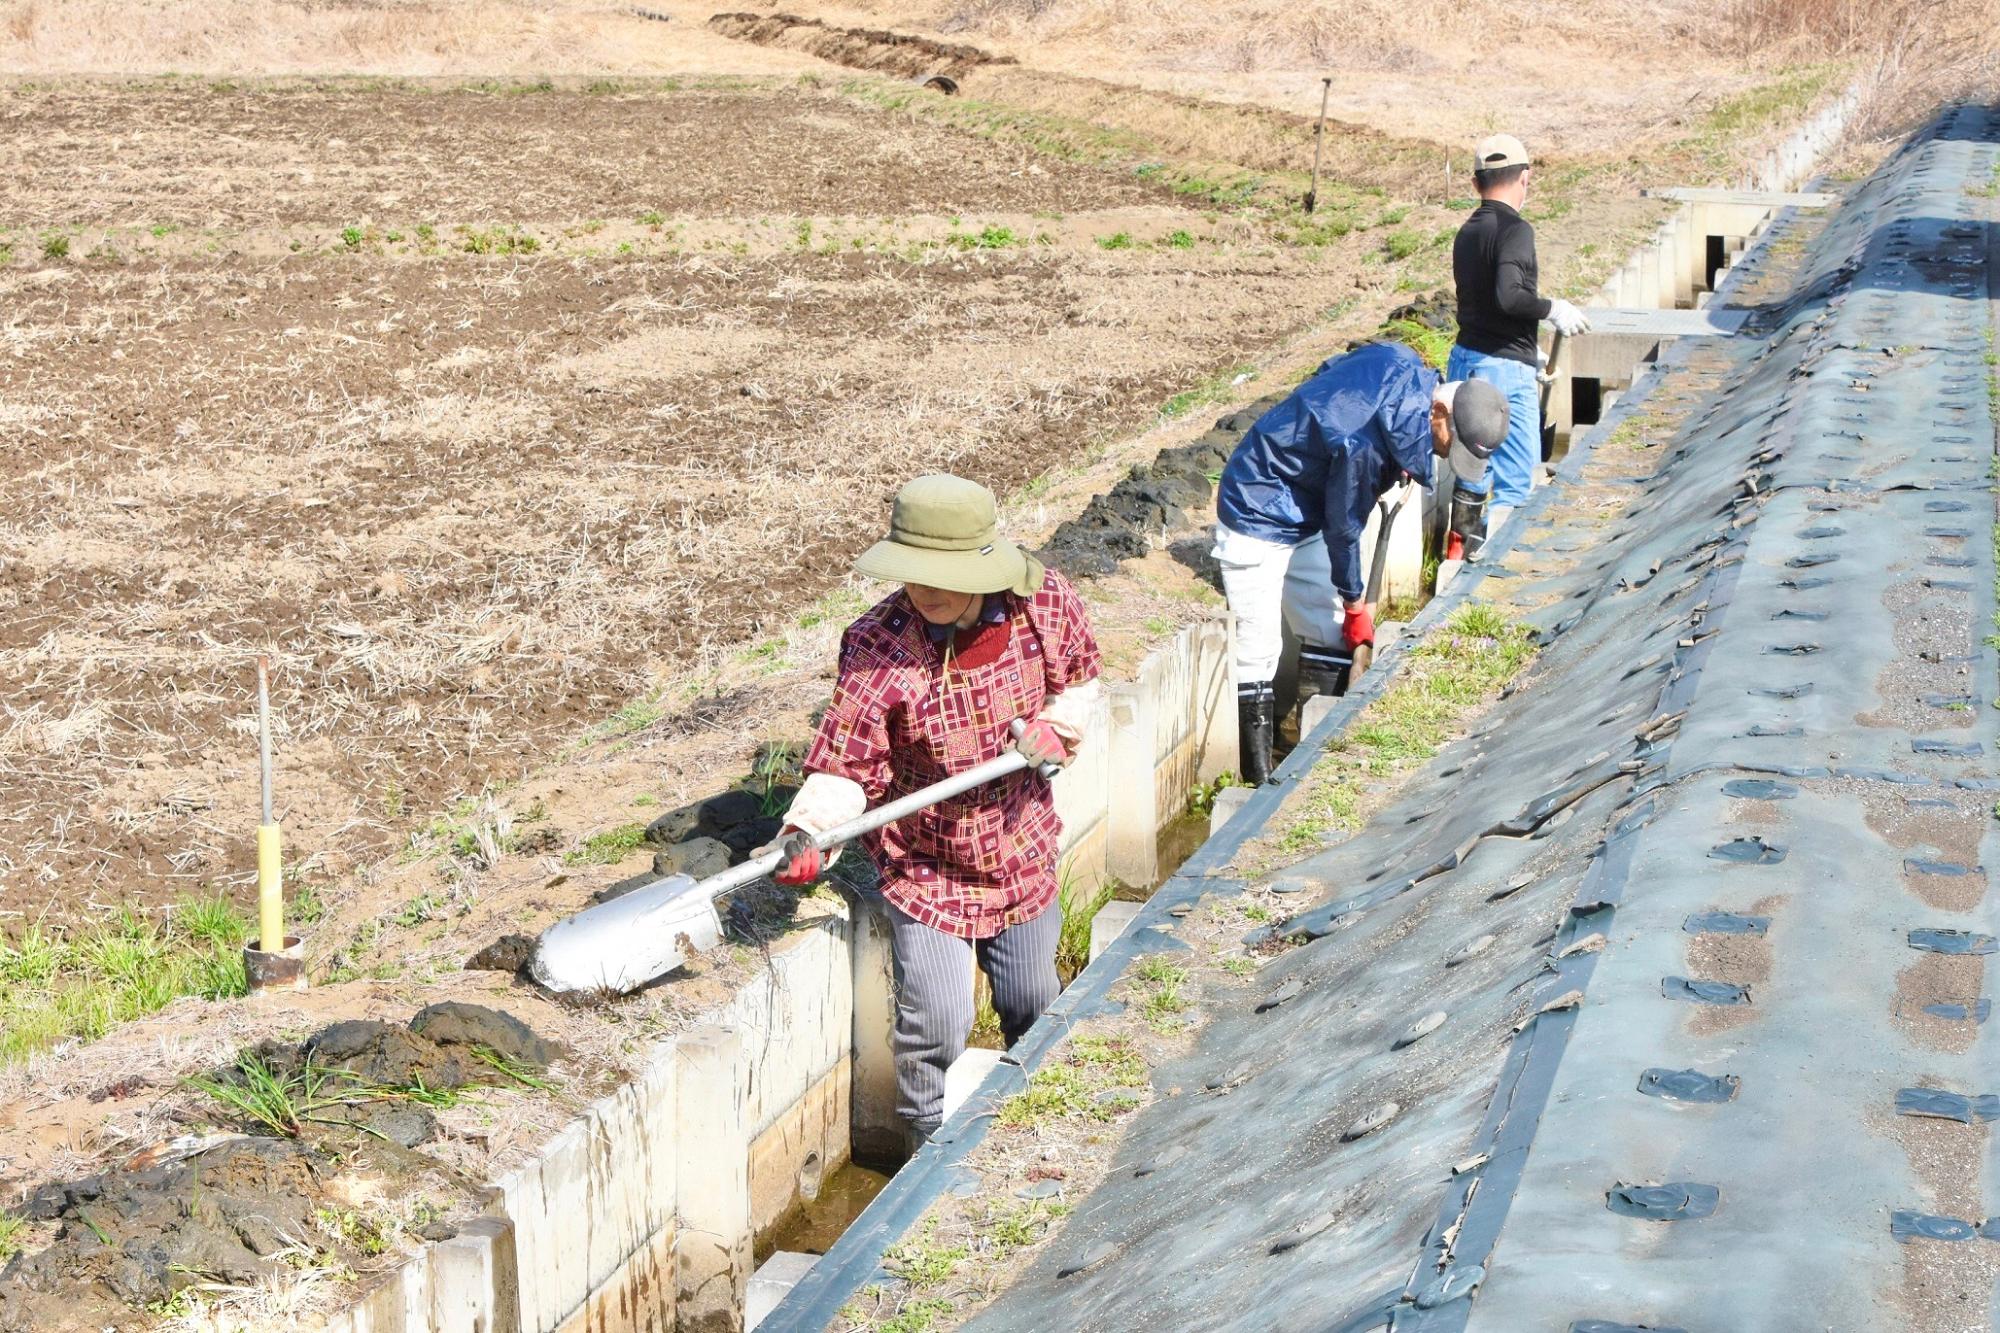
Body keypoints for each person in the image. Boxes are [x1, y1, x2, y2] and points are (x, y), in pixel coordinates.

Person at [763, 474, 1102, 1151]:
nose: (926, 589)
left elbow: (1082, 681)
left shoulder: (1042, 604)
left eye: (943, 573)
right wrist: (809, 830)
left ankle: (1034, 1132)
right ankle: (928, 1154)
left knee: (1034, 999)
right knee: (938, 1024)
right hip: (927, 862)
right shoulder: (881, 644)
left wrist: (1055, 728)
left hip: (1018, 843)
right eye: (914, 573)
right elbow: (846, 762)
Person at [1212, 341, 1508, 785]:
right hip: (1259, 501)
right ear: (1440, 414)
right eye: (1454, 444)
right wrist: (1355, 602)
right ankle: (1257, 777)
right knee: (1261, 648)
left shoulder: (1404, 364)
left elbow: (1334, 368)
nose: (1448, 455)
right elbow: (1344, 526)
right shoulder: (1362, 446)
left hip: (1309, 494)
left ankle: (1298, 745)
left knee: (1326, 628)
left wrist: (1397, 458)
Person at [1449, 133, 1592, 538]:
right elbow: (1509, 297)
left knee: (1473, 471)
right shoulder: (1516, 230)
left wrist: (1529, 355)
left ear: (1476, 183)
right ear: (1525, 178)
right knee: (1517, 482)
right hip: (1501, 372)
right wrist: (1552, 309)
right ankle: (1493, 573)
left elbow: (1486, 305)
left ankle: (1461, 554)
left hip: (1467, 359)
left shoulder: (1468, 231)